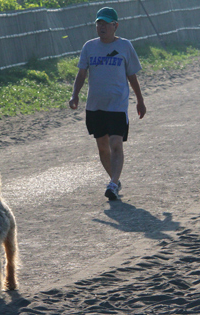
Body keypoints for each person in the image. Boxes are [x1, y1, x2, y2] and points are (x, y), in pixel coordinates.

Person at [69, 7, 146, 201]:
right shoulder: (89, 47)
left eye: (105, 23)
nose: (101, 27)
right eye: (98, 23)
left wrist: (140, 100)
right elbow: (81, 74)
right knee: (102, 147)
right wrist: (75, 95)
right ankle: (115, 180)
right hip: (95, 105)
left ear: (115, 26)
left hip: (117, 105)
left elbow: (132, 76)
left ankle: (112, 184)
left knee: (115, 143)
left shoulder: (125, 47)